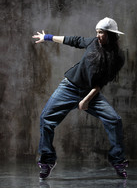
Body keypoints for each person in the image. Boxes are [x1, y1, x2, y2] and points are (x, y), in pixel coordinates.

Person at [32, 17, 128, 179]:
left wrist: (86, 100)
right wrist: (47, 37)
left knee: (114, 120)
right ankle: (47, 160)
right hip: (69, 87)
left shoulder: (118, 57)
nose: (98, 36)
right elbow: (73, 40)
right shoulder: (92, 43)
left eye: (101, 33)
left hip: (91, 94)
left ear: (111, 35)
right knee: (46, 119)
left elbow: (100, 83)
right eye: (97, 32)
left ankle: (118, 161)